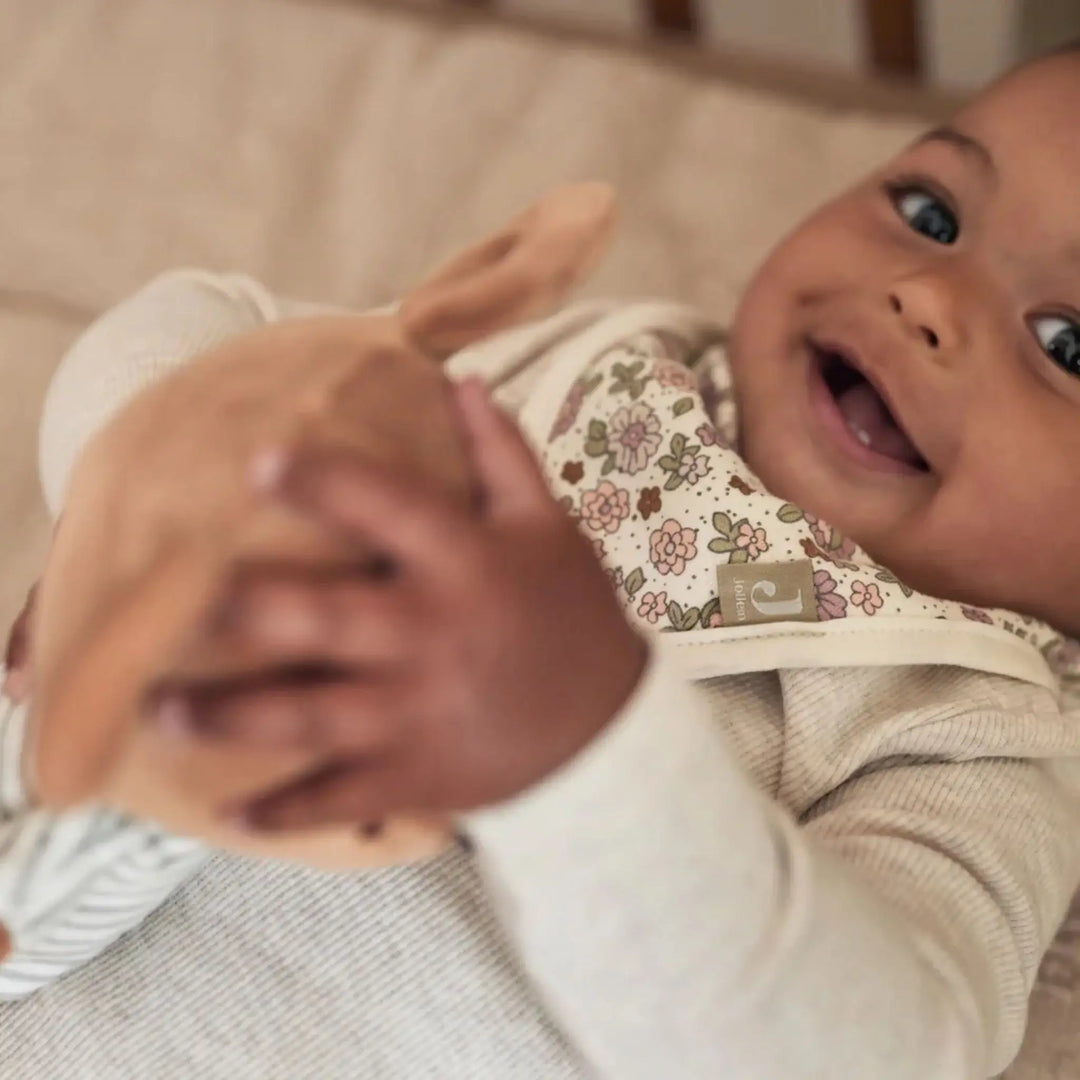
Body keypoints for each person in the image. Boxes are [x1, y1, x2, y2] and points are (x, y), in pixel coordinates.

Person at [4, 45, 1080, 1080]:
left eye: (1068, 341)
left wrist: (587, 755)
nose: (928, 298)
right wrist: (142, 496)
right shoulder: (591, 365)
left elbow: (875, 1052)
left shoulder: (976, 741)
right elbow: (215, 324)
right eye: (929, 213)